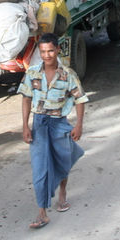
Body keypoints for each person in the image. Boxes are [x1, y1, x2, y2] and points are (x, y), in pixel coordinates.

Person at [19, 33, 88, 229]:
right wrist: (25, 125)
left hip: (59, 124)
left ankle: (62, 193)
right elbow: (25, 99)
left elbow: (80, 99)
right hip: (39, 125)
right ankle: (42, 212)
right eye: (42, 51)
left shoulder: (68, 75)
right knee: (40, 169)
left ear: (58, 50)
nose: (47, 55)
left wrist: (79, 125)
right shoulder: (32, 73)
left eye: (50, 50)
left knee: (62, 161)